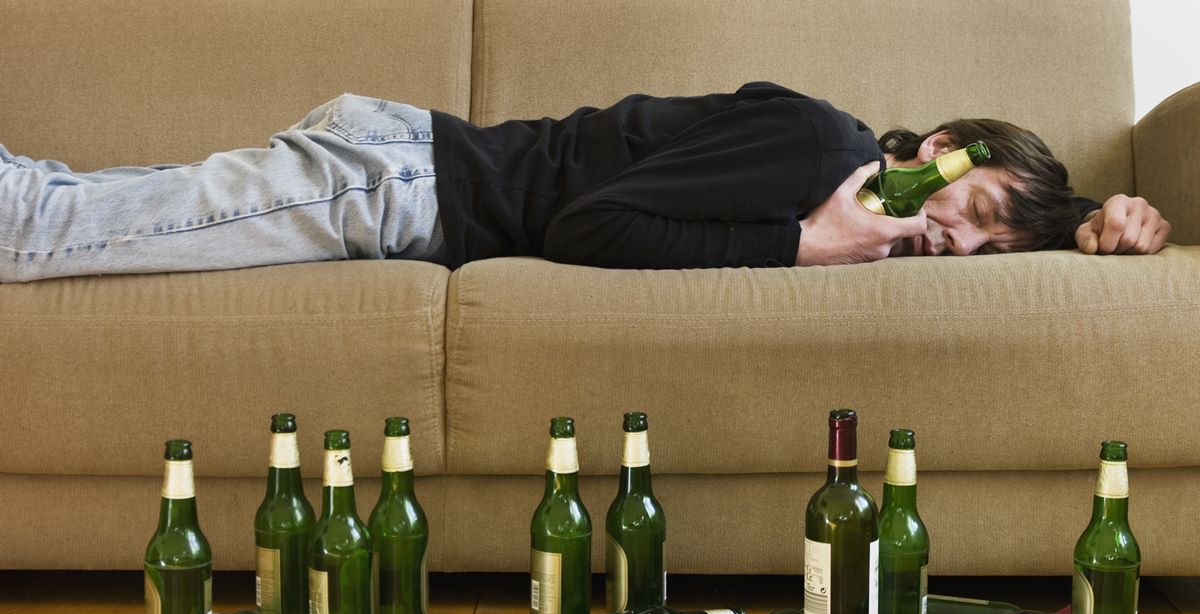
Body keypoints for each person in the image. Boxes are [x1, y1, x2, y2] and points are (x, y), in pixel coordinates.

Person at [0, 82, 1170, 283]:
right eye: (966, 212)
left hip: (395, 170)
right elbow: (583, 225)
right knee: (39, 234)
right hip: (394, 187)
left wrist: (1100, 224)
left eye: (986, 250)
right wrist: (805, 243)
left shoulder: (871, 202)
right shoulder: (824, 152)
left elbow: (1031, 217)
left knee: (59, 203)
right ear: (934, 150)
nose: (956, 243)